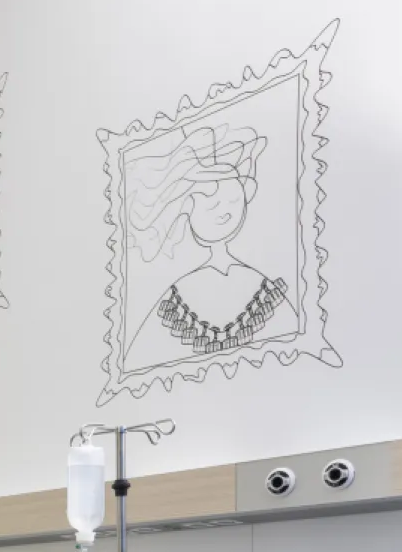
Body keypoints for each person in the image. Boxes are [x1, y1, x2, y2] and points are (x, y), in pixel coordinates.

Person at [121, 122, 300, 372]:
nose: (223, 211)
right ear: (186, 209)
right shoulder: (176, 299)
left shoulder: (260, 287)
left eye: (232, 199)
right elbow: (138, 361)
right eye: (210, 203)